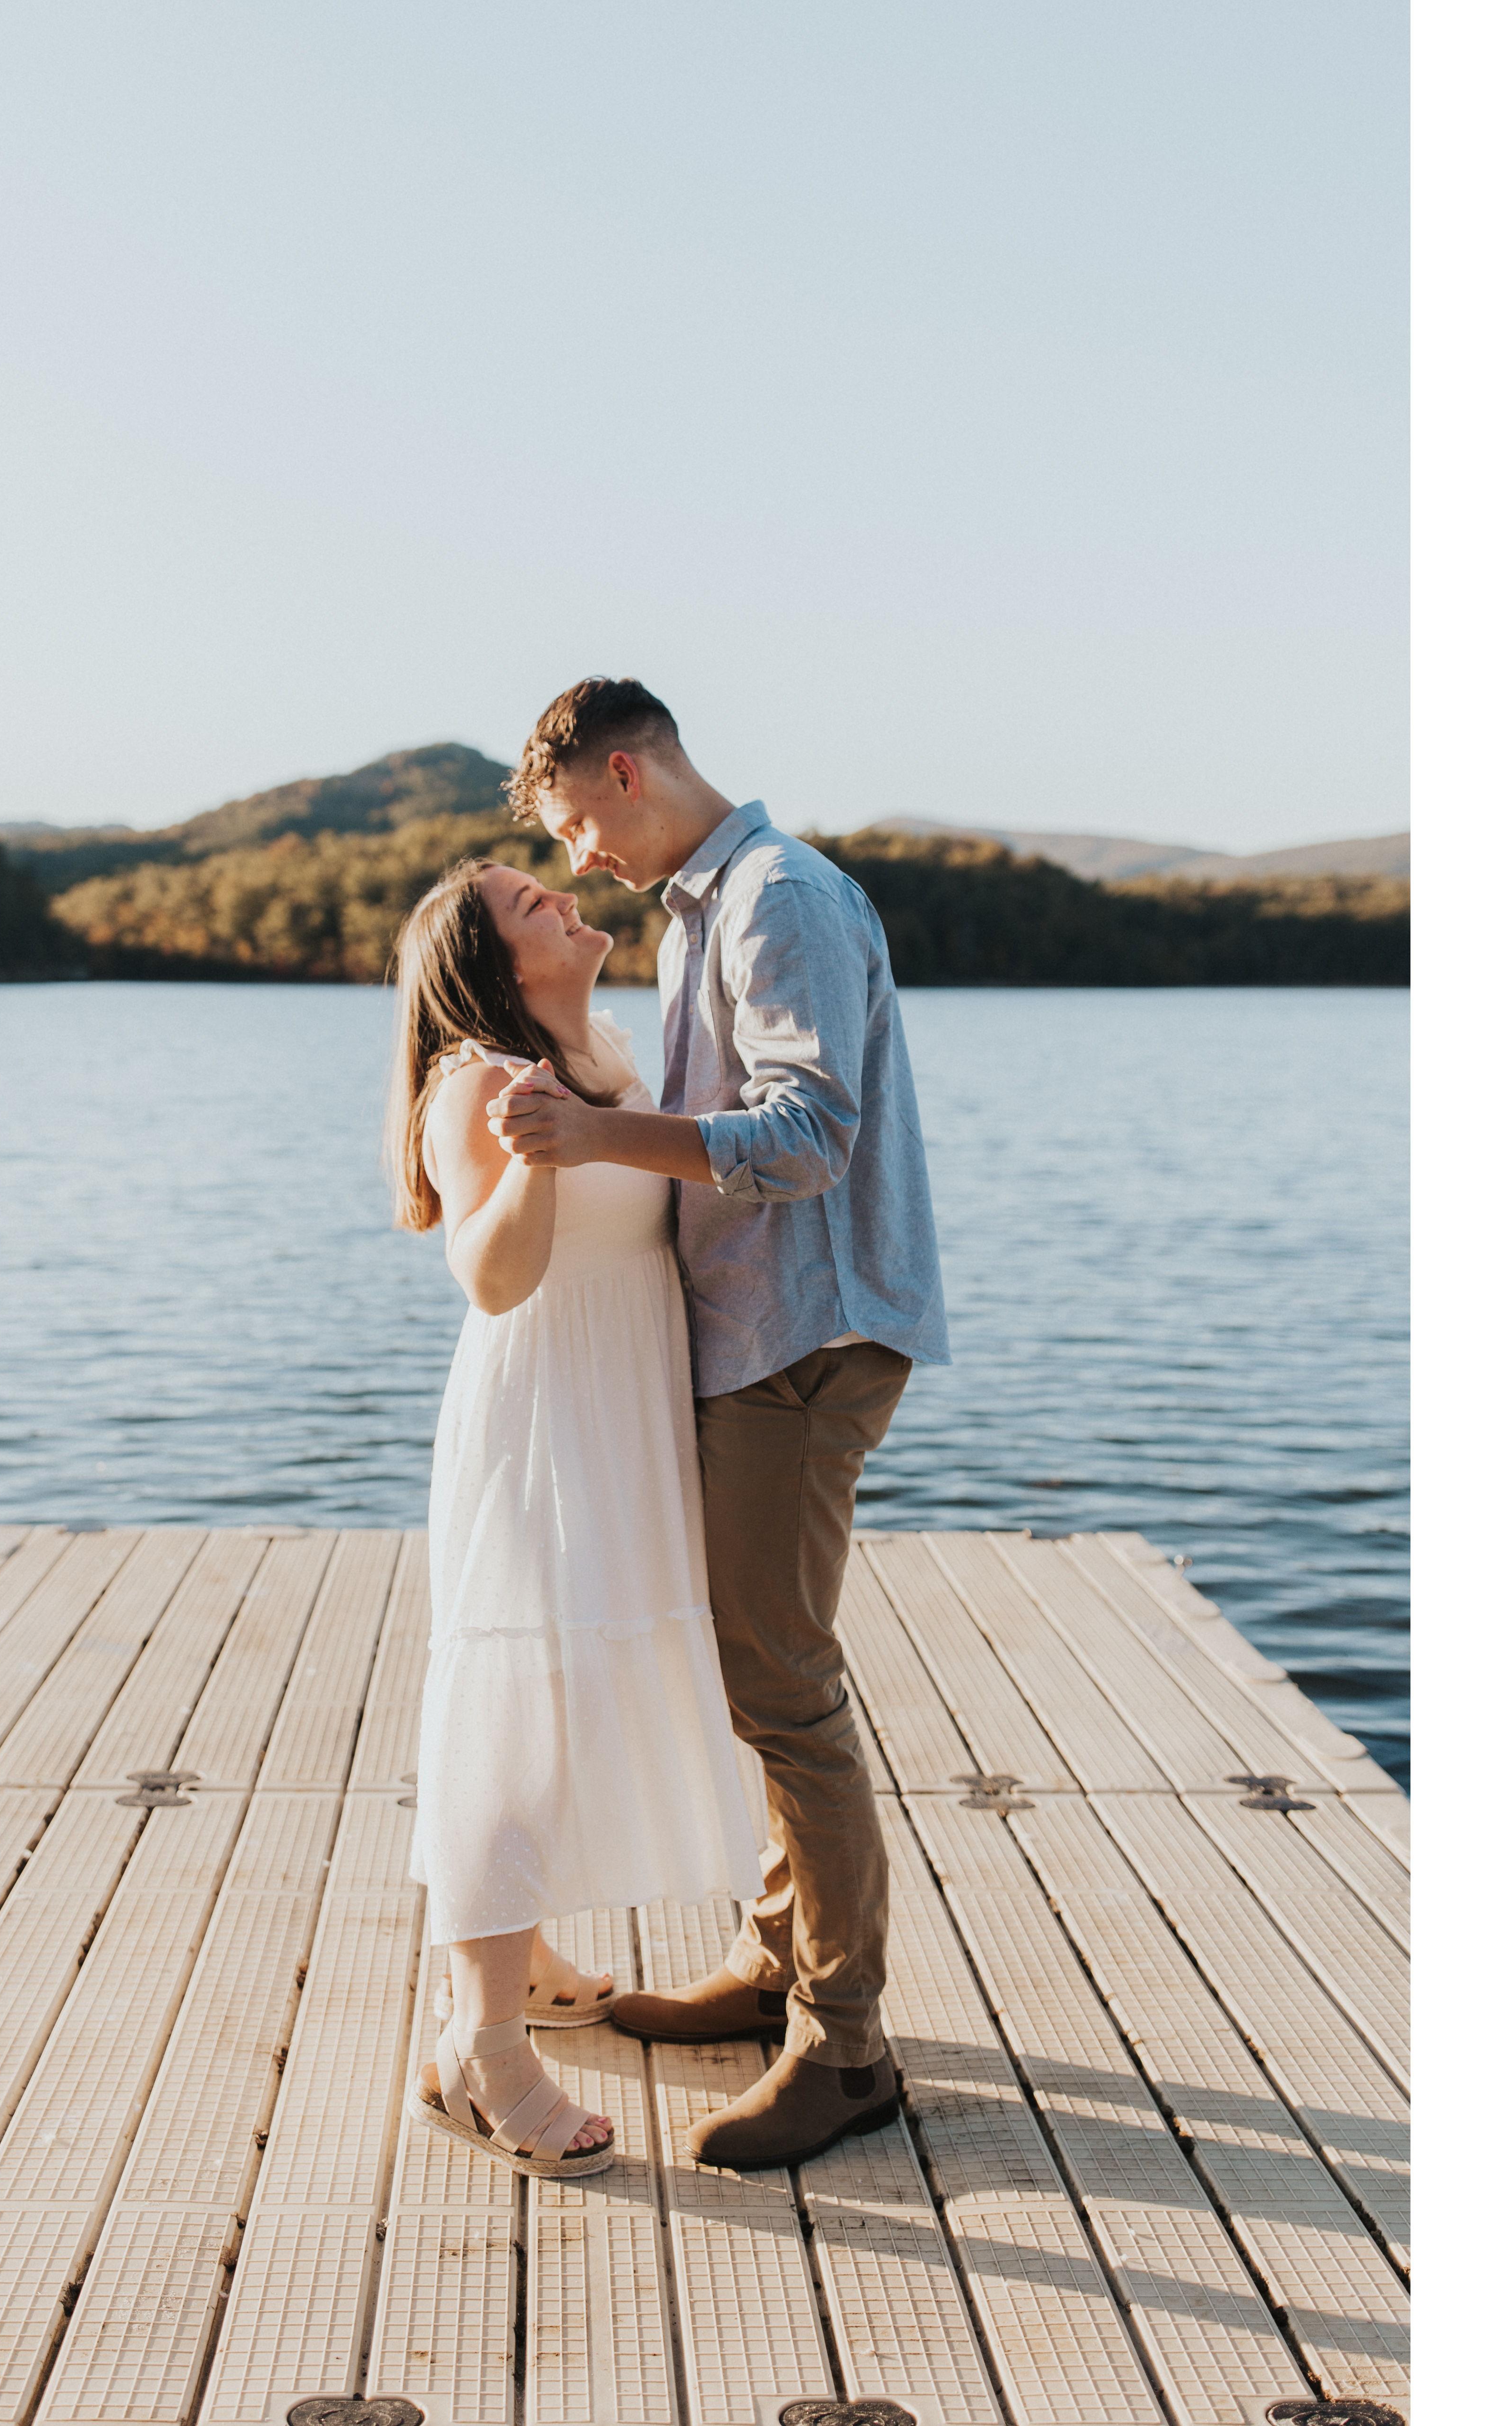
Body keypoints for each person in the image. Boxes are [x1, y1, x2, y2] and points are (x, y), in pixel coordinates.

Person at [486, 676, 949, 2170]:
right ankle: (777, 1969)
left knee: (786, 1688)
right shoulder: (708, 906)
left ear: (623, 772)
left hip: (804, 1338)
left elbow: (810, 1135)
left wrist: (596, 1133)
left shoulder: (775, 899)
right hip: (759, 1337)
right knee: (757, 1670)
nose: (578, 862)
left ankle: (846, 2046)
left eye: (572, 825)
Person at [387, 853, 766, 2180]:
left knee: (585, 1688)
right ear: (496, 965)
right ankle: (480, 2052)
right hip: (542, 1416)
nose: (557, 898)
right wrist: (537, 1157)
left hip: (628, 1403)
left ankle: (525, 1950)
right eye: (525, 906)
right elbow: (489, 1276)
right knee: (519, 1698)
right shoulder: (478, 1082)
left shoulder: (613, 1049)